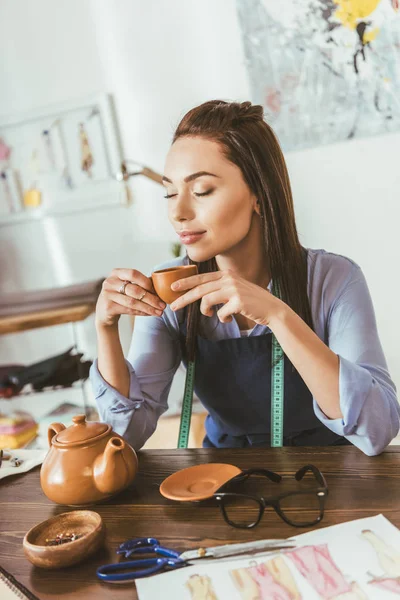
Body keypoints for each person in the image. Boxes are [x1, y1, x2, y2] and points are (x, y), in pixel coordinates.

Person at [90, 99, 399, 455]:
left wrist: (278, 316)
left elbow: (377, 431)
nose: (178, 212)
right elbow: (124, 436)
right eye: (170, 192)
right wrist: (106, 330)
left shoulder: (334, 279)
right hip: (222, 481)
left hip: (331, 479)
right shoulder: (172, 290)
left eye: (201, 191)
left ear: (258, 193)